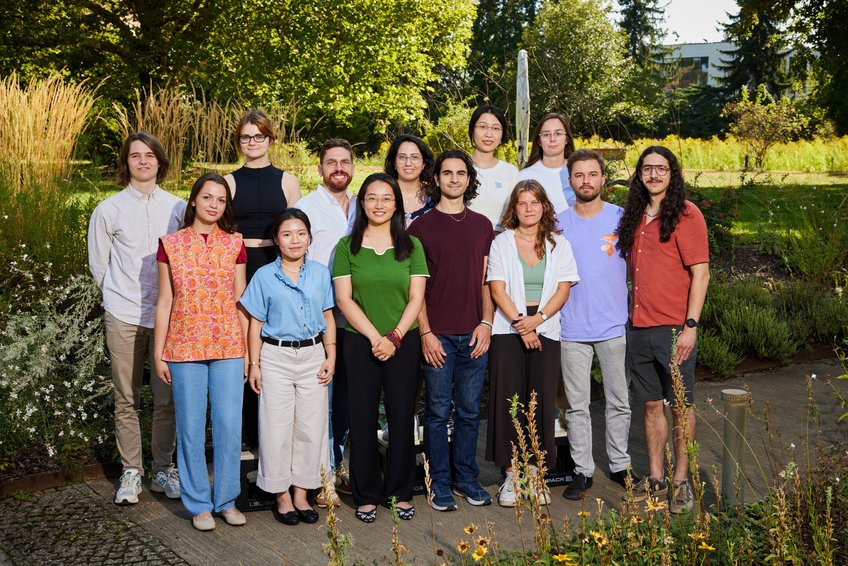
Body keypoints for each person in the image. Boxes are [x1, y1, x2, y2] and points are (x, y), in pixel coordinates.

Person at [87, 132, 184, 505]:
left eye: (149, 156)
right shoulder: (108, 210)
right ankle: (132, 471)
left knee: (166, 398)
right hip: (124, 314)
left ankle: (163, 467)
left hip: (168, 317)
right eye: (135, 156)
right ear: (125, 163)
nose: (143, 161)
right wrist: (116, 299)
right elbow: (100, 265)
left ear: (160, 161)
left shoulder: (178, 208)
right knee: (126, 397)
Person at [616, 146, 710, 514]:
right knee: (651, 404)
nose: (654, 174)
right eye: (647, 168)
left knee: (682, 407)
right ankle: (655, 477)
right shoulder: (634, 216)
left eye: (661, 168)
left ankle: (682, 482)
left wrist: (691, 325)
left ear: (672, 173)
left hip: (674, 328)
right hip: (638, 327)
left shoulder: (687, 214)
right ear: (639, 173)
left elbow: (700, 273)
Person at [153, 173, 248, 531]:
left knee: (227, 425)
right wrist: (161, 352)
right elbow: (164, 302)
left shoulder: (234, 244)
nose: (213, 205)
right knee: (191, 428)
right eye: (207, 197)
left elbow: (241, 302)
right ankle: (199, 504)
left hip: (228, 345)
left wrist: (249, 355)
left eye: (221, 200)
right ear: (193, 200)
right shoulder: (170, 244)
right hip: (183, 345)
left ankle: (225, 499)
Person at [332, 173, 428, 523]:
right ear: (362, 203)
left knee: (403, 418)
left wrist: (396, 338)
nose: (379, 204)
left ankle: (402, 492)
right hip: (361, 343)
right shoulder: (346, 248)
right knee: (362, 418)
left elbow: (417, 297)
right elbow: (344, 300)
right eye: (372, 198)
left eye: (387, 198)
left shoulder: (412, 245)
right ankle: (366, 494)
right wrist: (376, 338)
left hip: (404, 340)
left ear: (396, 205)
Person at [408, 149, 494, 511]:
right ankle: (439, 482)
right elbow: (415, 286)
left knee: (471, 411)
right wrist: (425, 332)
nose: (454, 179)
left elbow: (488, 281)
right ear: (437, 179)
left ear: (469, 180)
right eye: (448, 173)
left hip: (475, 333)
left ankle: (466, 478)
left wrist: (487, 323)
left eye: (461, 173)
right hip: (438, 335)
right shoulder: (420, 228)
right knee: (438, 412)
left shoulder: (483, 225)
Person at [486, 180, 579, 507]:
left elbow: (563, 289)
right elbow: (497, 290)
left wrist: (537, 321)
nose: (528, 208)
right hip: (508, 329)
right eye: (522, 203)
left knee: (540, 403)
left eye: (534, 202)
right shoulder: (501, 243)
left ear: (544, 206)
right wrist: (521, 326)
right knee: (509, 401)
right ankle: (512, 476)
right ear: (514, 208)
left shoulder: (559, 243)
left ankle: (537, 474)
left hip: (546, 328)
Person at [240, 208, 336, 526]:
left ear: (309, 238)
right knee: (276, 426)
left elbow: (328, 318)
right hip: (275, 358)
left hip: (312, 356)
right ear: (276, 240)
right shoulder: (265, 276)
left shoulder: (321, 273)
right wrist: (253, 364)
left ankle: (301, 493)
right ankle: (280, 495)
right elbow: (255, 324)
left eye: (300, 233)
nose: (294, 240)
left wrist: (330, 355)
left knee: (311, 428)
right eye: (286, 234)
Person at [556, 149, 636, 501]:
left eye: (592, 174)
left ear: (603, 179)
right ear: (570, 180)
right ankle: (582, 469)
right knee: (576, 406)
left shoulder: (622, 219)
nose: (586, 181)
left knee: (619, 400)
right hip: (571, 326)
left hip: (613, 325)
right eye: (579, 175)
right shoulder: (557, 223)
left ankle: (619, 465)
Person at [224, 110, 302, 450]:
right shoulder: (227, 182)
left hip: (275, 263)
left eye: (258, 136)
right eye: (245, 137)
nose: (252, 143)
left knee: (271, 345)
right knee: (243, 343)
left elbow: (296, 230)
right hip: (238, 265)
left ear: (270, 140)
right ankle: (246, 437)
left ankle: (276, 434)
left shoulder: (287, 181)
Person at [294, 138, 357, 507]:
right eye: (331, 162)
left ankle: (340, 464)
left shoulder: (362, 206)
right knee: (323, 401)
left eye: (345, 162)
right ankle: (321, 474)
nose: (338, 168)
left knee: (349, 400)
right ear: (319, 168)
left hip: (358, 318)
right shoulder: (306, 208)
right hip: (321, 318)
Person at [467, 105, 520, 231]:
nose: (489, 134)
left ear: (502, 135)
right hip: (462, 240)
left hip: (499, 243)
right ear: (472, 131)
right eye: (482, 127)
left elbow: (515, 215)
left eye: (496, 128)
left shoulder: (510, 172)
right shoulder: (459, 169)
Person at [519, 112, 576, 213]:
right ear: (539, 141)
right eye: (546, 135)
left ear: (566, 139)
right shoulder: (524, 176)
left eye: (558, 134)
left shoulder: (579, 172)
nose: (552, 139)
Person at [384, 134, 436, 225]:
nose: (408, 163)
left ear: (424, 163)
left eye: (414, 157)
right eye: (402, 157)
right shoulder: (381, 194)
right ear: (394, 163)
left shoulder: (435, 196)